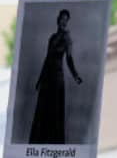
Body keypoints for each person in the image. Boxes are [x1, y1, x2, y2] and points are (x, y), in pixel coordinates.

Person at [29, 7, 82, 145]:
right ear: (57, 20)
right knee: (43, 110)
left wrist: (75, 75)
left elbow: (69, 59)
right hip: (47, 78)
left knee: (55, 111)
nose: (63, 22)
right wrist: (39, 80)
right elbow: (47, 59)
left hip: (57, 78)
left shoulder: (67, 39)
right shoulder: (52, 38)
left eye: (66, 20)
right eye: (61, 19)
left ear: (67, 22)